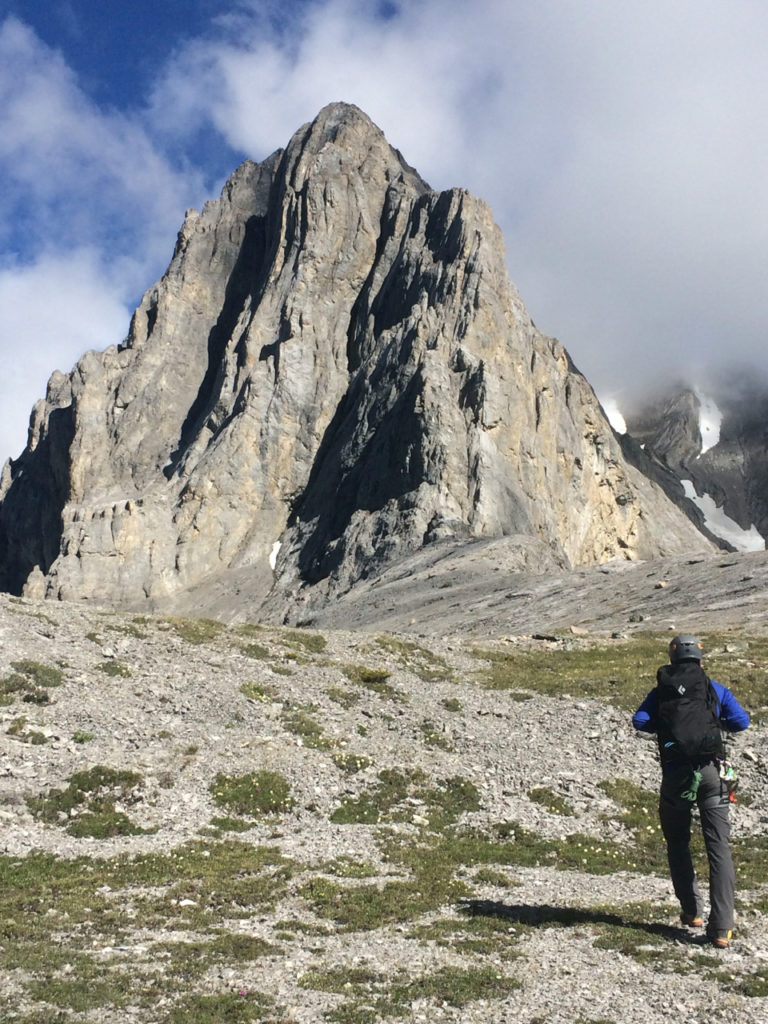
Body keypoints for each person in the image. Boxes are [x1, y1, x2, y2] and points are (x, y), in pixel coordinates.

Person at [632, 634, 750, 949]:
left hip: (676, 775)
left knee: (678, 840)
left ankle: (692, 910)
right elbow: (742, 722)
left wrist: (669, 727)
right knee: (718, 847)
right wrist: (714, 724)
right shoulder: (714, 688)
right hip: (713, 772)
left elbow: (639, 721)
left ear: (672, 660)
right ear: (700, 659)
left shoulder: (662, 691)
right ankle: (722, 928)